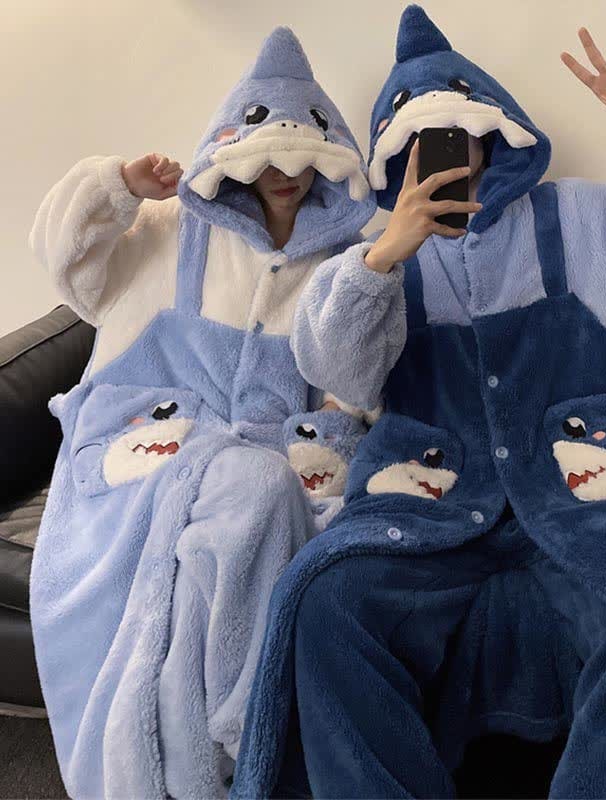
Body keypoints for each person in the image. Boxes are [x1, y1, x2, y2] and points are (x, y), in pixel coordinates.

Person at [232, 6, 606, 799]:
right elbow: (341, 373)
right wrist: (383, 259)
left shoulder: (591, 217)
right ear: (394, 156)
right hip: (434, 499)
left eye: (457, 133)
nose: (444, 152)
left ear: (494, 132)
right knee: (322, 599)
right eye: (419, 140)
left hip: (592, 490)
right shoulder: (376, 256)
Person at [27, 26, 374, 798]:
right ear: (233, 153)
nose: (286, 173)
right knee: (247, 498)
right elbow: (63, 261)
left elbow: (352, 392)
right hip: (145, 448)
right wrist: (116, 186)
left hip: (256, 478)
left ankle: (203, 763)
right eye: (268, 156)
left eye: (303, 158)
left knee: (230, 541)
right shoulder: (164, 232)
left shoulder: (342, 265)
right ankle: (230, 745)